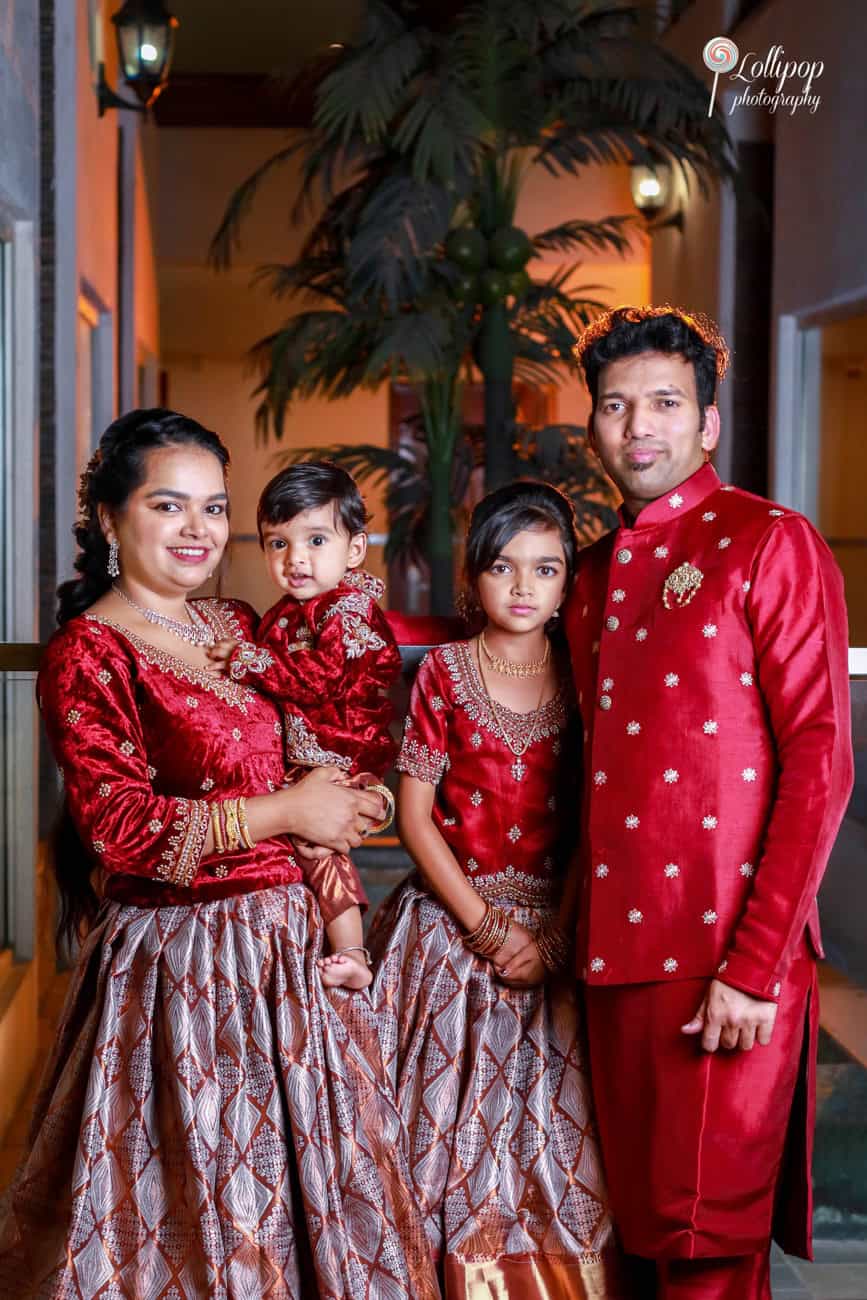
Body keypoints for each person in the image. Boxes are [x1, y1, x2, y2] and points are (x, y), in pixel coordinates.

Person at [0, 410, 437, 1300]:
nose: (200, 530)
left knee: (327, 1216)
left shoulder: (239, 625)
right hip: (181, 972)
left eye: (215, 507)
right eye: (170, 505)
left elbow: (322, 743)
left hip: (296, 955)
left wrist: (361, 799)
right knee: (204, 1226)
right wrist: (289, 808)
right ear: (112, 521)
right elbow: (120, 827)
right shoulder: (89, 653)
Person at [565, 306, 854, 1299]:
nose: (637, 425)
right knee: (640, 1247)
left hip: (726, 964)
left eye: (663, 402)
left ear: (709, 423)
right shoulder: (592, 574)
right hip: (610, 968)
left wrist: (756, 968)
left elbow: (820, 761)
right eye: (614, 405)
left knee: (709, 1250)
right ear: (592, 425)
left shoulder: (768, 541)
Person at [369, 482, 626, 1298]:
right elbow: (414, 818)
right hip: (450, 930)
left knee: (557, 1144)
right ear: (471, 577)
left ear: (567, 585)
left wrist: (553, 936)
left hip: (559, 929)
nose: (522, 587)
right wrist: (485, 929)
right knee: (435, 1146)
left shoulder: (591, 680)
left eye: (545, 569)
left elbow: (600, 822)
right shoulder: (444, 671)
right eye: (502, 567)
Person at [207, 462, 402, 991]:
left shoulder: (347, 611)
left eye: (316, 539)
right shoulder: (289, 612)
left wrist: (249, 662)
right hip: (304, 761)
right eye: (277, 543)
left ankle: (353, 953)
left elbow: (322, 680)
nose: (296, 559)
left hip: (339, 755)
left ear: (355, 550)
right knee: (300, 851)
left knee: (321, 851)